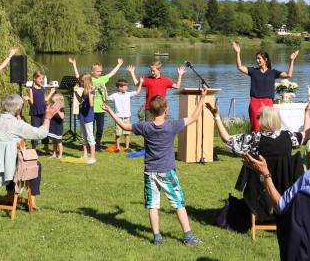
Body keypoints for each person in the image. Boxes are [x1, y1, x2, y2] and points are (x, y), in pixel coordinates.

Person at [101, 88, 209, 246]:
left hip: (150, 172)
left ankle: (157, 237)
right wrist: (203, 97)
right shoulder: (172, 125)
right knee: (178, 203)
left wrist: (110, 110)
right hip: (167, 171)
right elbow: (194, 117)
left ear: (150, 112)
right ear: (166, 110)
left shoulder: (145, 126)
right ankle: (188, 236)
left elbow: (124, 125)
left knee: (153, 205)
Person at [0, 94, 60, 198]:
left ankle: (10, 195)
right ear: (18, 110)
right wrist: (47, 118)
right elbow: (41, 134)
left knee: (14, 159)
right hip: (12, 168)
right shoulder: (18, 125)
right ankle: (31, 200)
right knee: (35, 165)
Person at [231, 41, 299, 132]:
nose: (257, 60)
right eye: (257, 58)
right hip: (255, 102)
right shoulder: (253, 71)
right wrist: (238, 53)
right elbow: (240, 67)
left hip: (268, 102)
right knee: (255, 127)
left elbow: (288, 75)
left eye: (259, 58)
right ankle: (255, 144)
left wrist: (292, 60)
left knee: (267, 126)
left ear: (265, 59)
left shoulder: (273, 72)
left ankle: (266, 144)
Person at [68, 57, 124, 151]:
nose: (100, 73)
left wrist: (119, 64)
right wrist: (74, 64)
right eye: (98, 71)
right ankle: (89, 145)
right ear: (92, 72)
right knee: (90, 128)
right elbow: (78, 76)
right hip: (91, 109)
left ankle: (97, 145)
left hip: (101, 108)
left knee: (100, 128)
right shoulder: (89, 79)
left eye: (101, 71)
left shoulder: (103, 79)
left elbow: (112, 73)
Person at [107, 78, 143, 152]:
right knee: (118, 133)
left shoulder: (128, 94)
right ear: (120, 87)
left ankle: (127, 147)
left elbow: (138, 92)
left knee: (127, 133)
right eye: (125, 86)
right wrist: (104, 88)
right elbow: (107, 98)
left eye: (127, 86)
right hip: (118, 117)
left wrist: (141, 83)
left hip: (127, 116)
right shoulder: (115, 95)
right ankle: (118, 148)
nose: (127, 87)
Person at [24, 70, 55, 150]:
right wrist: (28, 99)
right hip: (35, 112)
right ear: (34, 78)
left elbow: (45, 100)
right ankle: (33, 147)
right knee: (35, 129)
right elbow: (32, 103)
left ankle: (46, 146)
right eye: (40, 79)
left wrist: (51, 93)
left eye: (42, 79)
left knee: (45, 128)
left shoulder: (42, 88)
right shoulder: (31, 89)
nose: (41, 80)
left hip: (43, 111)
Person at [74, 73, 96, 164]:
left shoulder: (91, 90)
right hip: (82, 115)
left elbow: (91, 105)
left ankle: (93, 157)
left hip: (88, 117)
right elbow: (80, 101)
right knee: (83, 137)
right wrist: (75, 92)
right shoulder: (83, 91)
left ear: (86, 81)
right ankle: (85, 154)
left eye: (82, 82)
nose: (80, 83)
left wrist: (91, 95)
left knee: (90, 137)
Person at [47, 93, 65, 159]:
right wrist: (48, 109)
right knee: (54, 141)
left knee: (59, 141)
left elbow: (62, 117)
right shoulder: (52, 106)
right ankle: (54, 153)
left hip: (58, 127)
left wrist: (57, 111)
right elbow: (49, 114)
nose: (54, 103)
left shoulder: (61, 108)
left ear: (58, 100)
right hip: (53, 126)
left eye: (55, 101)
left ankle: (60, 155)